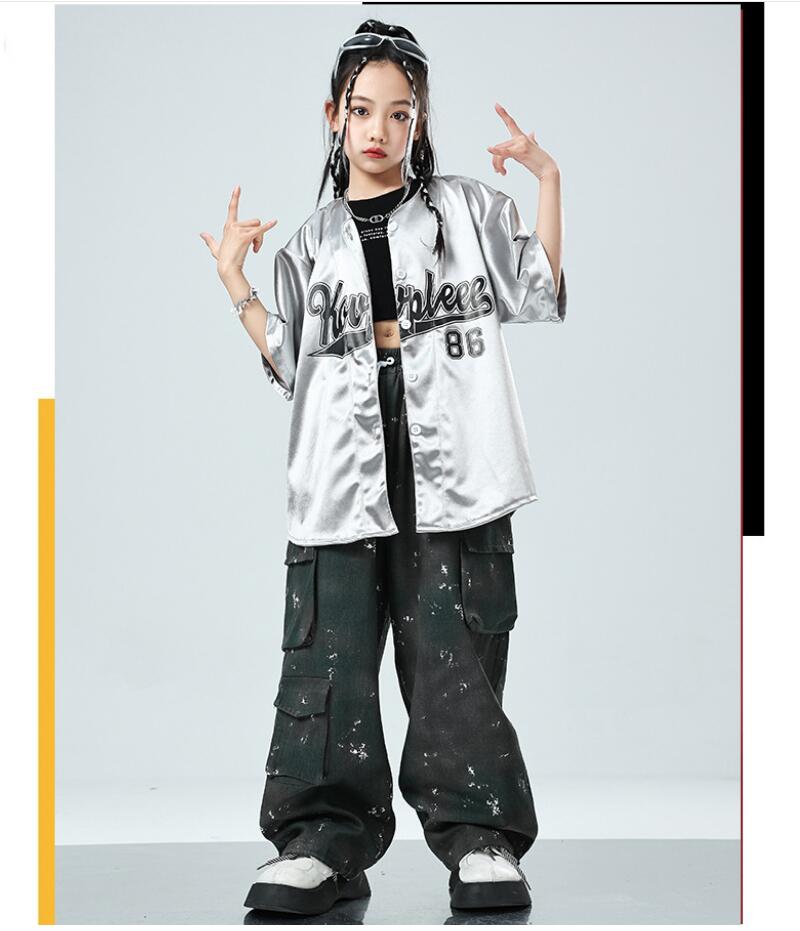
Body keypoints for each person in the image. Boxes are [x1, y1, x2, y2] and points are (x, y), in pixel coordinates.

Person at [200, 18, 566, 916]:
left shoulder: (470, 211)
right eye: (362, 110)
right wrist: (236, 279)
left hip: (455, 467)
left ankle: (480, 837)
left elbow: (538, 290)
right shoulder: (309, 245)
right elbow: (290, 360)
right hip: (341, 470)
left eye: (398, 113)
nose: (378, 129)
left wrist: (549, 179)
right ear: (334, 115)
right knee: (328, 656)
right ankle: (321, 841)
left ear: (419, 120)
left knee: (455, 654)